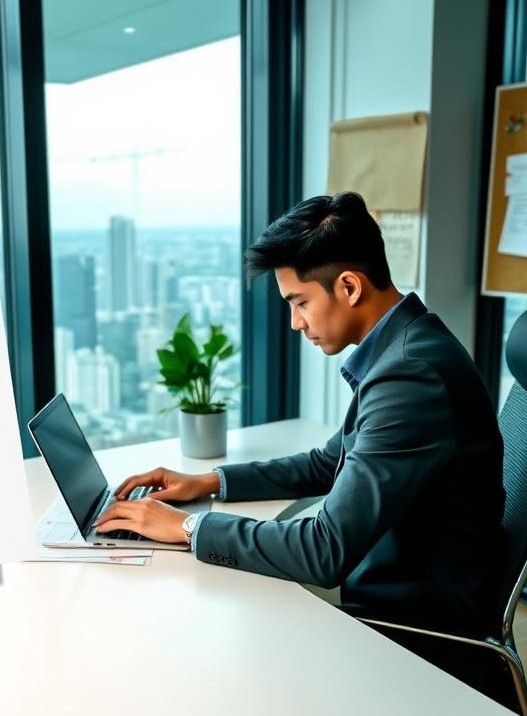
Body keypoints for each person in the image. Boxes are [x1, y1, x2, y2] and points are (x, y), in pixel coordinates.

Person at [96, 191, 505, 633]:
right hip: (407, 587)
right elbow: (330, 462)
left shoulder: (409, 377)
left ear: (349, 287)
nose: (295, 322)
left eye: (299, 302)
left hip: (416, 620)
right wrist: (207, 482)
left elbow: (323, 551)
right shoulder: (408, 346)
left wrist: (188, 528)